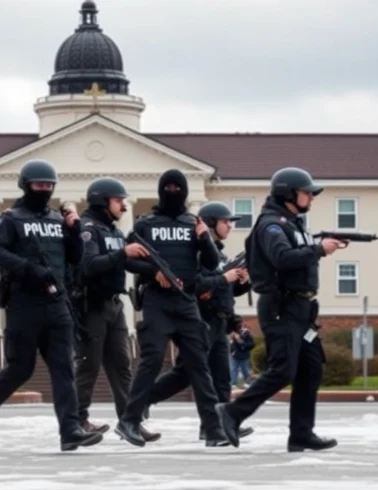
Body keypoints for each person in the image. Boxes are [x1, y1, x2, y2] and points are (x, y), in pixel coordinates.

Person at [0, 159, 104, 452]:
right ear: (25, 186)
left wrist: (75, 229)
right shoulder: (11, 218)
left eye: (48, 185)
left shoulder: (58, 219)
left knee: (64, 368)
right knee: (21, 369)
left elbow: (76, 258)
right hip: (24, 304)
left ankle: (70, 431)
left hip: (57, 303)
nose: (44, 189)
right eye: (38, 185)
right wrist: (29, 269)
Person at [215, 166, 343, 452]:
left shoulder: (293, 224)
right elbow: (282, 257)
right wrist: (320, 249)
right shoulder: (272, 225)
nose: (311, 197)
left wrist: (318, 246)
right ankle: (233, 412)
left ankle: (301, 434)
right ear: (288, 193)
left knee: (310, 370)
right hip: (280, 306)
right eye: (306, 192)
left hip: (302, 308)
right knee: (283, 370)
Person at [114, 168, 232, 448]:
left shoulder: (194, 222)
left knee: (199, 365)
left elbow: (212, 262)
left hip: (187, 300)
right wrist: (153, 273)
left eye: (177, 188)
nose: (172, 192)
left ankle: (213, 429)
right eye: (167, 187)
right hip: (157, 300)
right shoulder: (145, 225)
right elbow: (129, 260)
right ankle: (129, 420)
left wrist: (204, 237)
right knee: (151, 361)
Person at [145, 201, 254, 444]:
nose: (230, 226)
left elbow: (226, 291)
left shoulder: (221, 255)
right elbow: (197, 287)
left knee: (222, 377)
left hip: (220, 320)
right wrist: (224, 278)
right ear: (212, 223)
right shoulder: (199, 254)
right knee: (185, 373)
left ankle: (219, 425)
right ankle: (143, 399)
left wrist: (242, 281)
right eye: (226, 222)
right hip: (201, 321)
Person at [70, 176, 160, 442]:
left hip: (114, 305)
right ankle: (77, 421)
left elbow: (127, 263)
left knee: (122, 365)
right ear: (102, 200)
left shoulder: (112, 231)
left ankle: (129, 421)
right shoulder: (88, 229)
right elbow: (89, 265)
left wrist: (156, 271)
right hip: (91, 305)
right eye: (118, 200)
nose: (123, 206)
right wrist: (124, 253)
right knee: (89, 365)